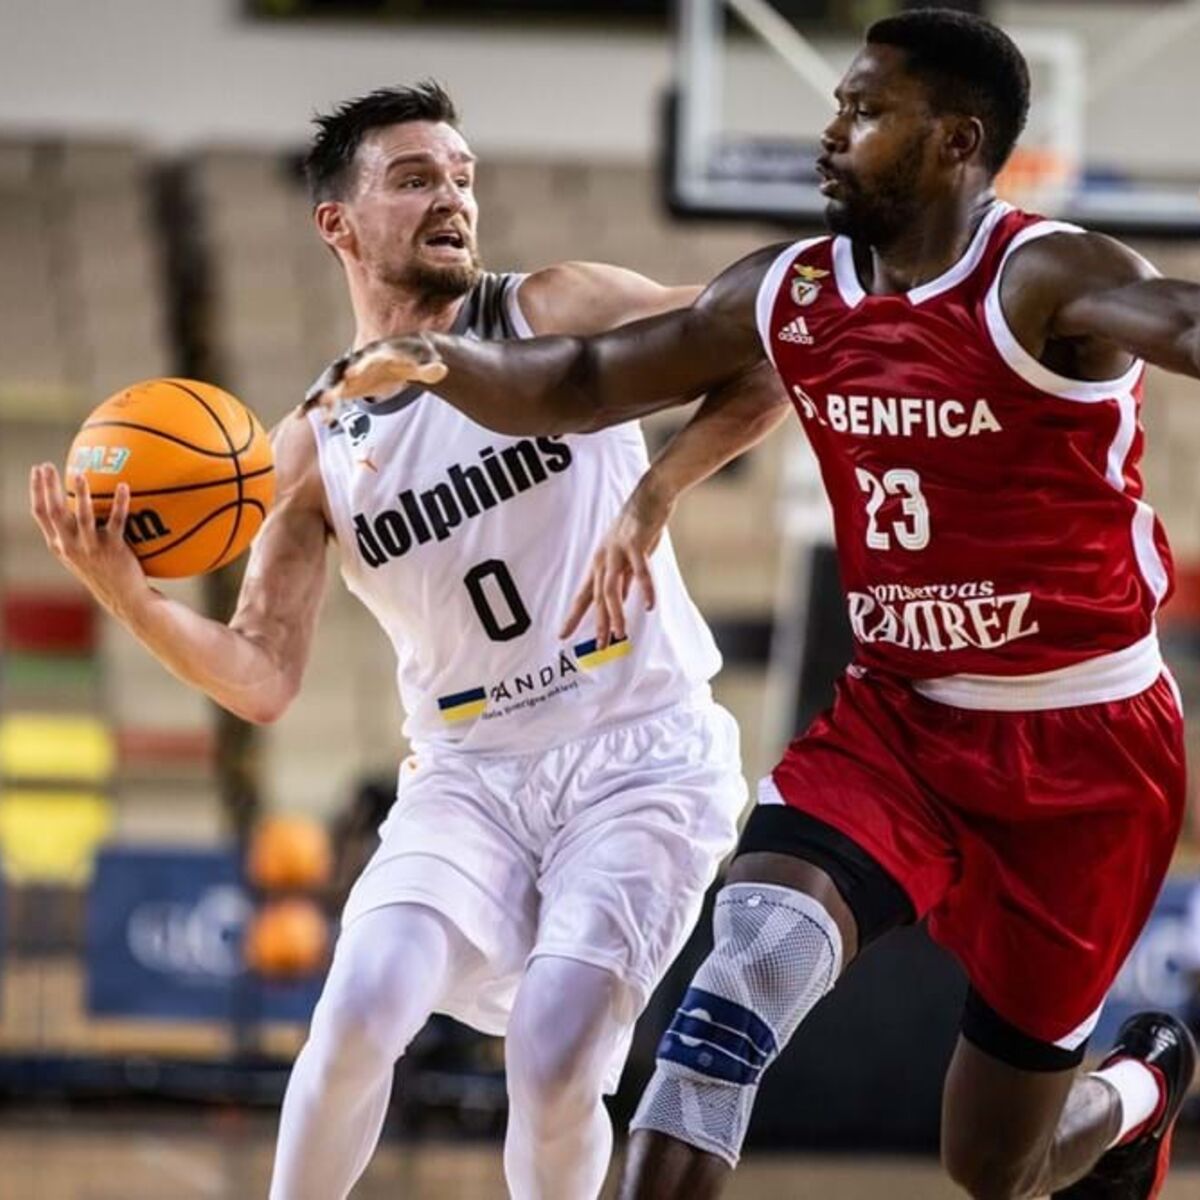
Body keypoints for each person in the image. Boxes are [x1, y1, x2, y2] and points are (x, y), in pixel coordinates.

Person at [308, 12, 1200, 1199]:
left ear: (956, 142)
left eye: (866, 112)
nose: (830, 132)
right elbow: (582, 380)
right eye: (837, 103)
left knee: (997, 1165)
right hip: (900, 728)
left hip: (1083, 745)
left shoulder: (1046, 276)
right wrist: (438, 363)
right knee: (737, 986)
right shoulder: (794, 292)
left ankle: (1143, 1084)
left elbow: (1183, 321)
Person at [29, 82, 793, 1200]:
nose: (453, 198)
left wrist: (658, 492)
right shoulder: (307, 445)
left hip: (640, 753)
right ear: (336, 223)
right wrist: (131, 599)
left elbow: (771, 343)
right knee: (359, 1007)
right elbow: (263, 677)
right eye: (415, 178)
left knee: (555, 1050)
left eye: (463, 177)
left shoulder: (554, 309)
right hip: (472, 773)